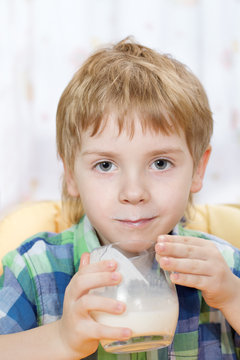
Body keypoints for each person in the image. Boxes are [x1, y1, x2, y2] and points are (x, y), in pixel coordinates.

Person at [0, 37, 240, 360]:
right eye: (105, 165)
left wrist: (234, 299)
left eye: (160, 163)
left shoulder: (224, 269)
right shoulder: (32, 271)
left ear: (198, 169)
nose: (134, 193)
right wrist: (60, 339)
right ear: (71, 174)